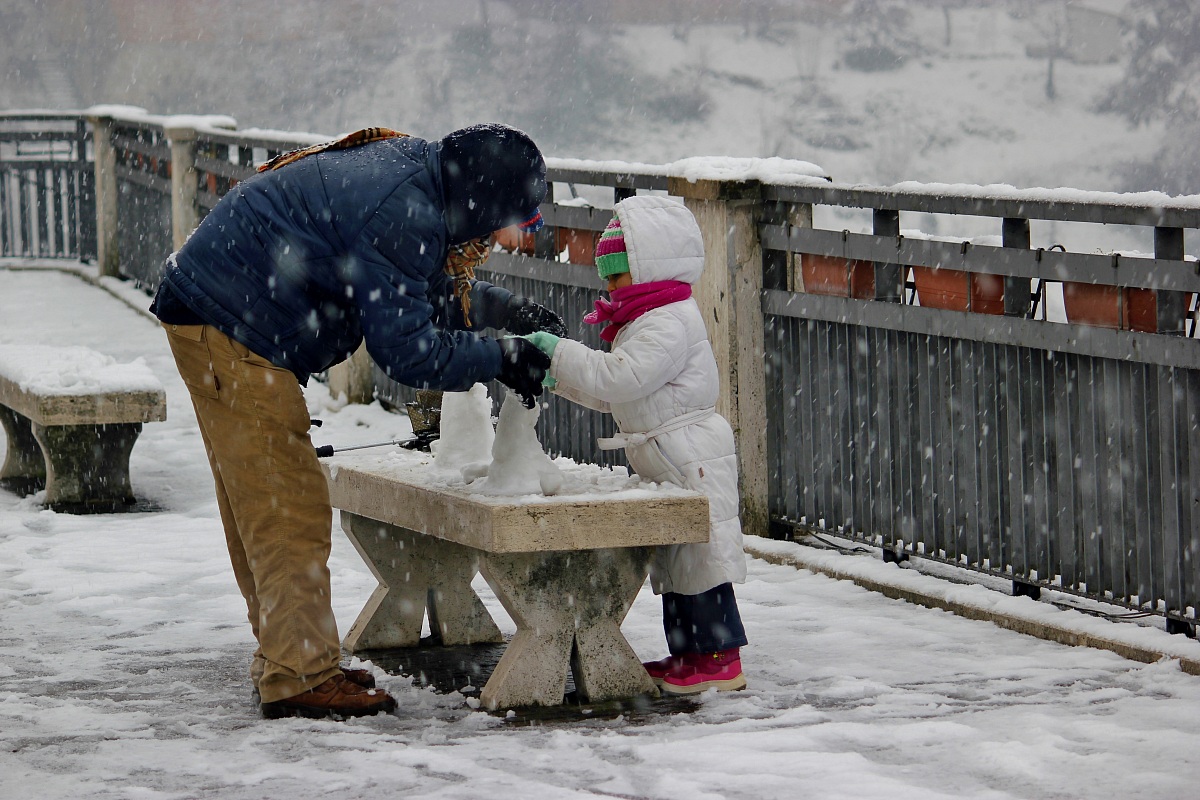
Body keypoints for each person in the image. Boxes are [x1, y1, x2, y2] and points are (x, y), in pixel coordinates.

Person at [149, 123, 563, 719]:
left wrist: (505, 311)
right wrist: (501, 358)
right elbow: (407, 350)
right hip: (231, 322)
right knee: (284, 504)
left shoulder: (419, 178)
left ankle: (291, 655)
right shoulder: (403, 212)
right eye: (516, 220)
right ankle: (299, 675)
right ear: (480, 201)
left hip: (218, 306)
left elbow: (411, 285)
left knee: (260, 500)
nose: (510, 236)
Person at [523, 195, 748, 695]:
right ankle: (688, 654)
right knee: (677, 566)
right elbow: (615, 396)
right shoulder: (645, 320)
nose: (609, 285)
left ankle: (720, 661)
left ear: (649, 267)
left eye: (617, 274)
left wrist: (560, 353)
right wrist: (557, 378)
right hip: (669, 458)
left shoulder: (669, 322)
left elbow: (620, 379)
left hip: (692, 458)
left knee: (702, 565)